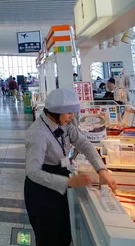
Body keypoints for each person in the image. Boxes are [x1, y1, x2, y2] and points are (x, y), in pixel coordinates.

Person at [25, 88, 117, 245]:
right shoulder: (38, 134)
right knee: (48, 236)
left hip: (59, 174)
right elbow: (33, 172)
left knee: (63, 232)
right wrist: (68, 182)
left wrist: (102, 170)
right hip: (41, 188)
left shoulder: (65, 123)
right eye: (68, 112)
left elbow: (83, 143)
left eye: (73, 112)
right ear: (54, 112)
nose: (72, 116)